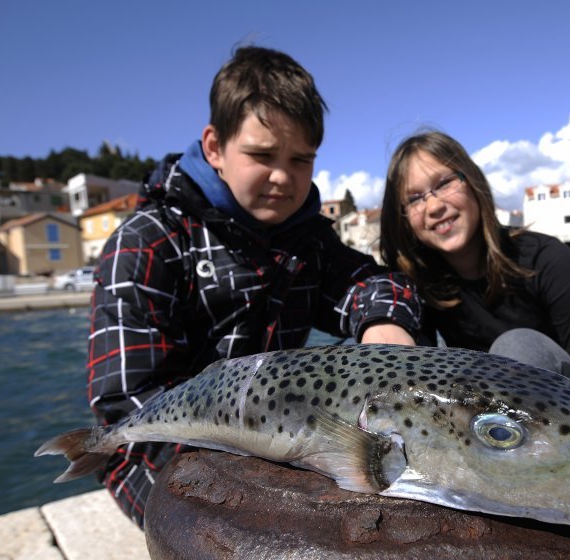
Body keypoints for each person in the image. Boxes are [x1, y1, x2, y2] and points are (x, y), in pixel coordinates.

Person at [87, 45, 420, 528]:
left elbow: (373, 280)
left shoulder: (309, 241)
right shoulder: (147, 244)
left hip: (268, 445)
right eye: (262, 155)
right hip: (157, 456)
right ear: (214, 147)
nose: (283, 176)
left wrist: (385, 322)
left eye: (301, 159)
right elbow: (128, 400)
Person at [379, 130, 570, 402]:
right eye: (414, 198)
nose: (434, 206)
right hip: (488, 419)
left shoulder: (546, 258)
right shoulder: (423, 285)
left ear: (472, 182)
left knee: (517, 345)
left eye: (445, 183)